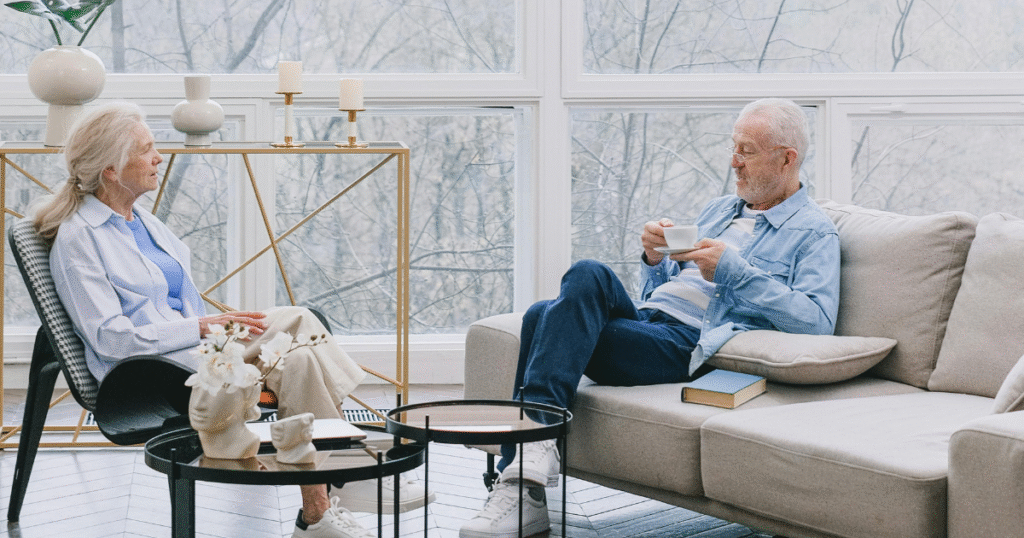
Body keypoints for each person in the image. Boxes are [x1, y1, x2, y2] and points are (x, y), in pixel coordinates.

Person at [459, 98, 841, 538]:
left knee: (542, 317)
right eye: (733, 147)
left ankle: (523, 483)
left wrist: (736, 272)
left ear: (787, 158)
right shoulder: (720, 210)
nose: (734, 162)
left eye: (747, 151)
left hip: (688, 345)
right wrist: (654, 257)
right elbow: (663, 291)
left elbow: (816, 323)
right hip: (648, 321)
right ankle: (529, 468)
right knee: (581, 278)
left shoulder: (814, 232)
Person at [33, 102, 381, 538]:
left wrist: (214, 329)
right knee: (299, 327)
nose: (158, 157)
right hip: (149, 371)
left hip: (199, 351)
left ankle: (317, 512)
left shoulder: (141, 220)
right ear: (110, 169)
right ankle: (353, 464)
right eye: (147, 149)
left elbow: (181, 304)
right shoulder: (80, 238)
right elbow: (109, 339)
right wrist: (203, 328)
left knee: (301, 353)